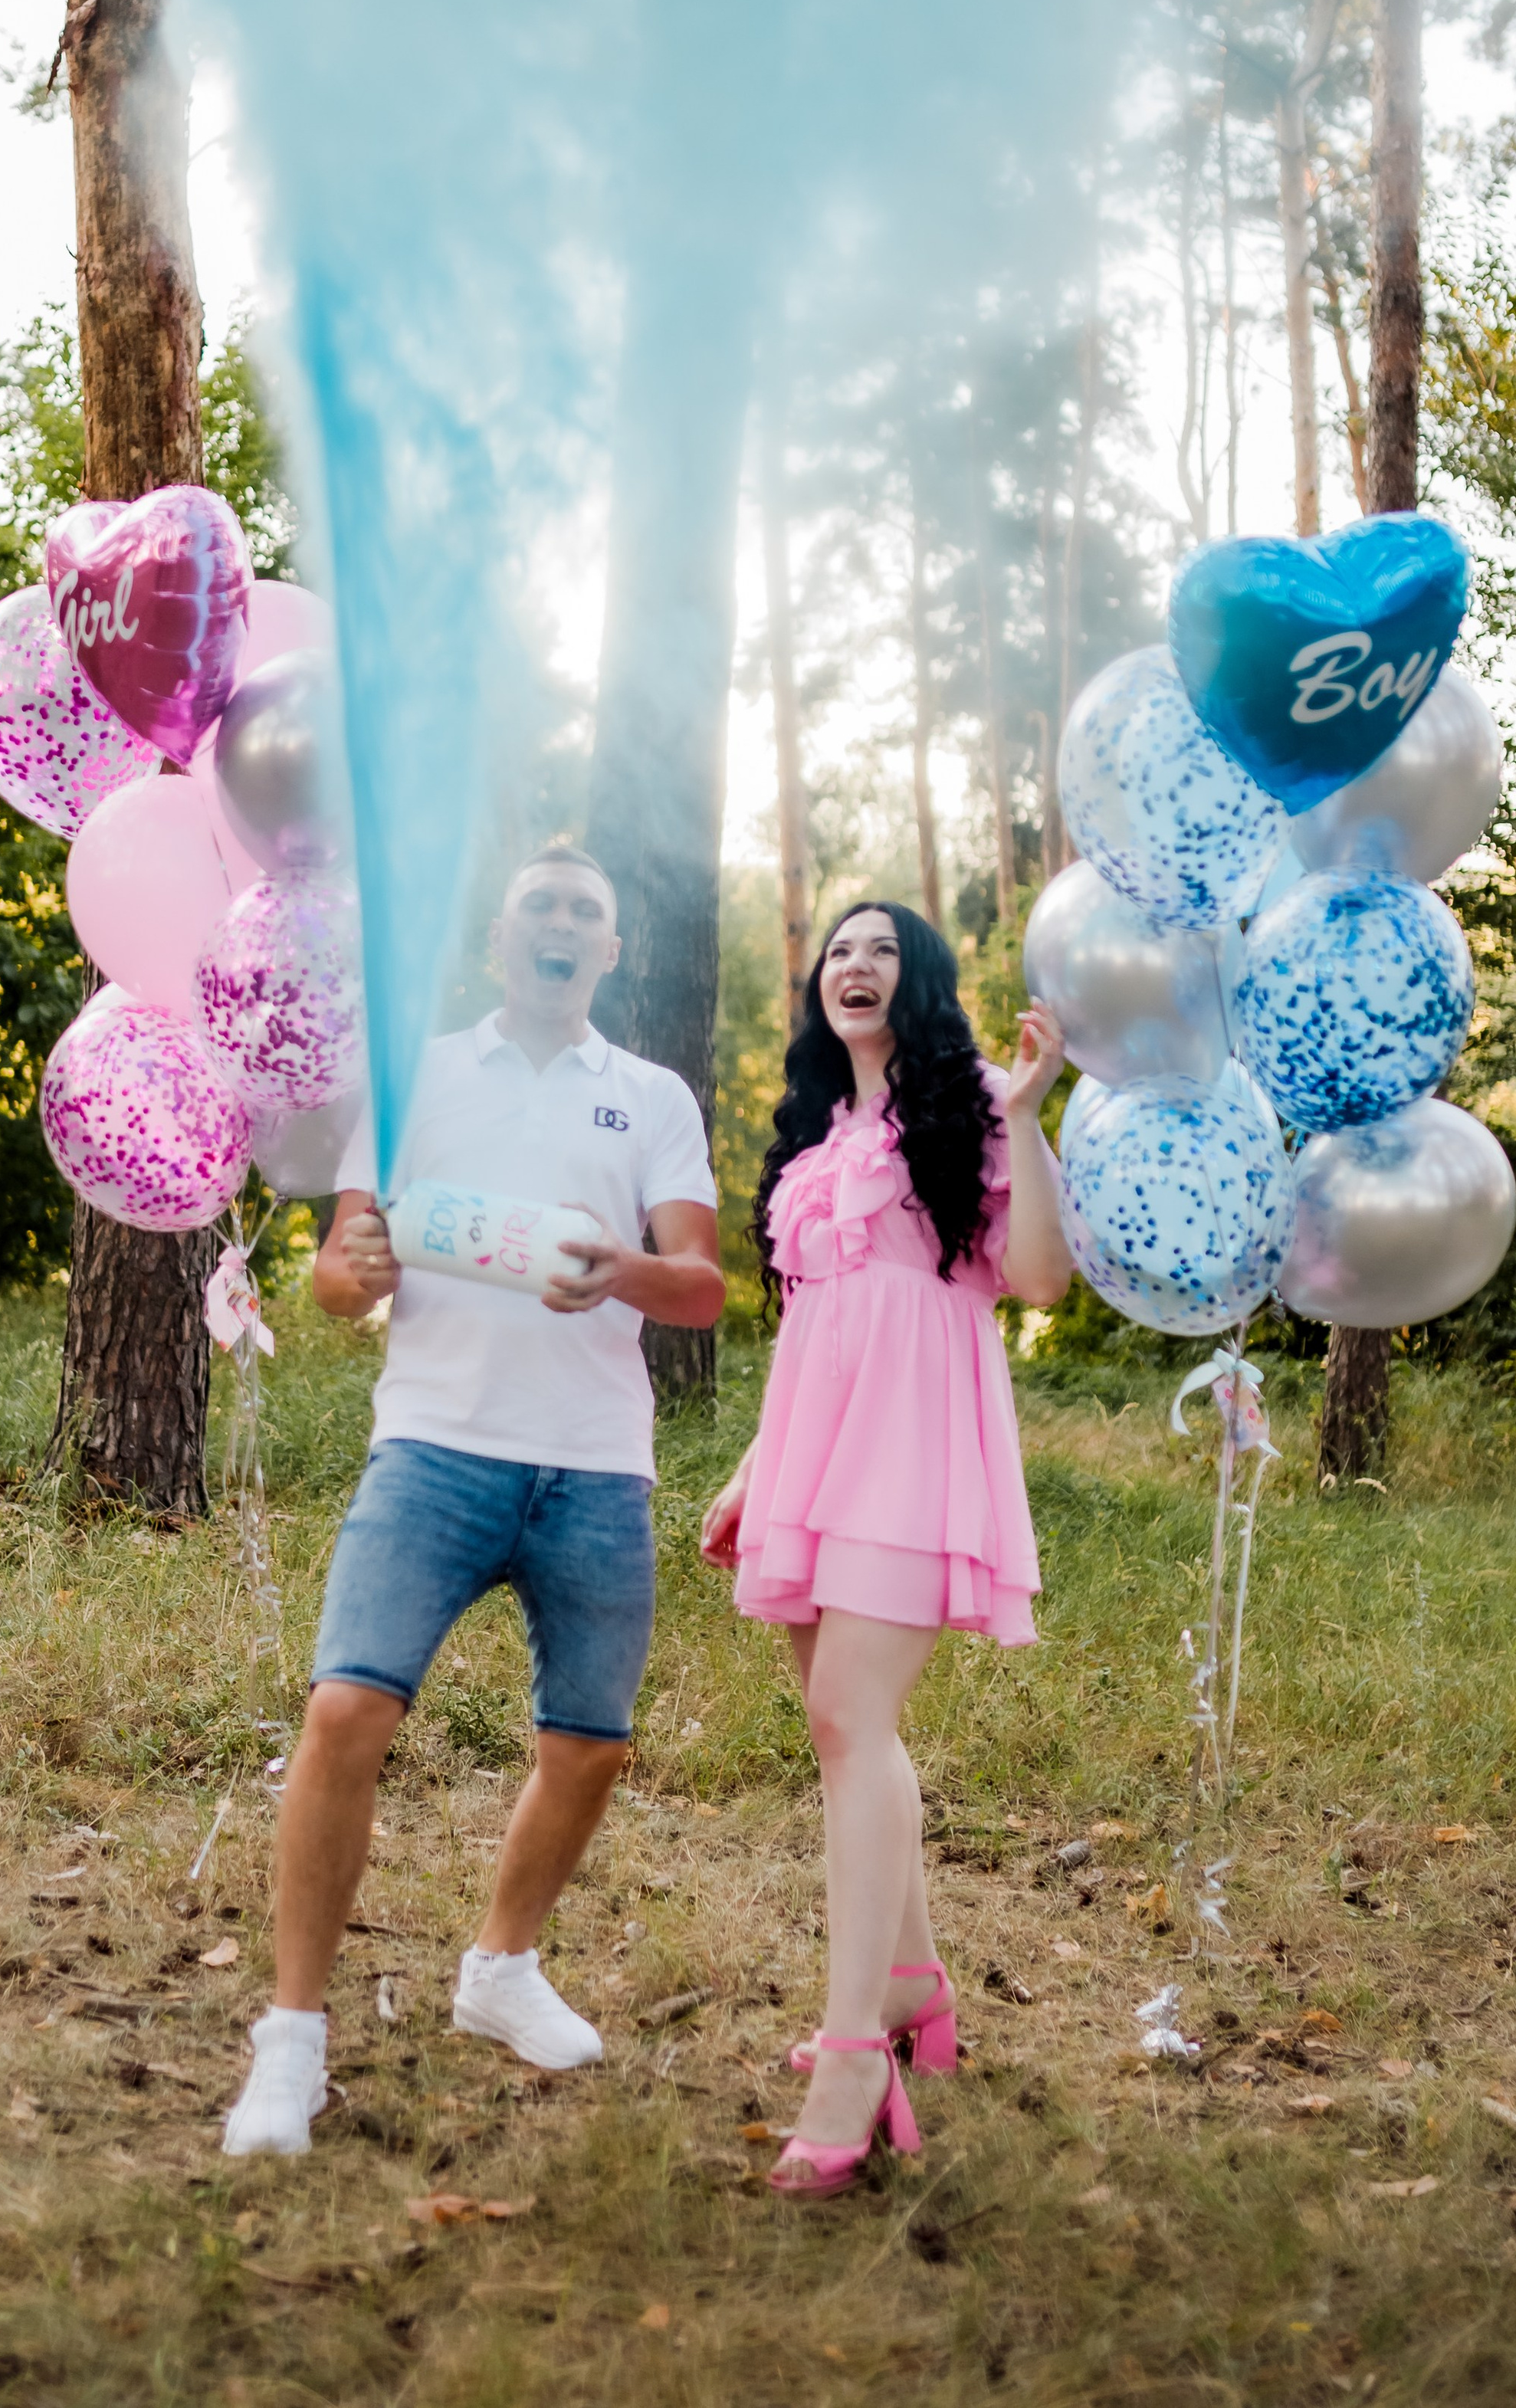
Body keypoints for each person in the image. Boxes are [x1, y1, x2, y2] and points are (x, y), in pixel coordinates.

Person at [223, 845, 724, 2160]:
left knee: (592, 1744)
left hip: (599, 1461)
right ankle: (293, 2039)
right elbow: (337, 1277)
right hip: (434, 1446)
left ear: (611, 951)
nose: (562, 923)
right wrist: (354, 1260)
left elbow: (706, 1284)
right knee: (346, 1709)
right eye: (540, 905)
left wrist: (621, 1268)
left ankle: (500, 1970)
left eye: (587, 910)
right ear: (502, 939)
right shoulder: (416, 1076)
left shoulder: (654, 1097)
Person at [699, 900, 1070, 2198]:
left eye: (885, 949)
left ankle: (857, 2053)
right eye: (840, 948)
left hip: (918, 1444)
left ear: (923, 984)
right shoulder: (817, 1133)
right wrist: (760, 1467)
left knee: (854, 1715)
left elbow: (1035, 1281)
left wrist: (1025, 1108)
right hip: (816, 1447)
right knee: (835, 1720)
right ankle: (915, 1983)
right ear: (818, 982)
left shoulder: (969, 1099)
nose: (856, 965)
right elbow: (811, 1318)